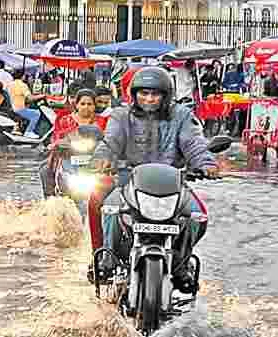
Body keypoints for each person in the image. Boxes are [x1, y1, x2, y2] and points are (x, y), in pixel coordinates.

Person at [91, 67, 220, 287]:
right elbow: (110, 141)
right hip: (128, 182)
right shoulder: (121, 116)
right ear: (134, 94)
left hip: (173, 185)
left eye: (155, 94)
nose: (149, 99)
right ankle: (107, 259)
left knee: (198, 216)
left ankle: (182, 263)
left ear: (166, 95)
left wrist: (206, 164)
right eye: (144, 93)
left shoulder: (182, 116)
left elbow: (194, 143)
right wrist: (103, 158)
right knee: (108, 209)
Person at [8, 69, 42, 135]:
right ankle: (29, 131)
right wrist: (42, 96)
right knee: (37, 114)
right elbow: (30, 98)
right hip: (19, 109)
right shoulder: (22, 85)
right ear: (23, 76)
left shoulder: (10, 84)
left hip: (11, 107)